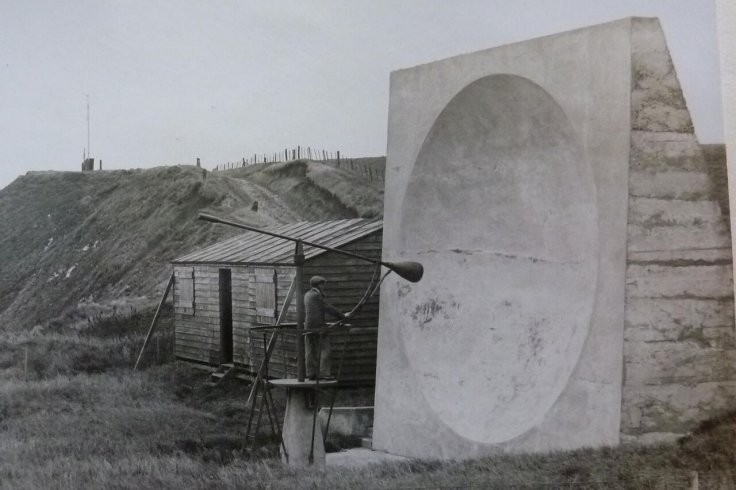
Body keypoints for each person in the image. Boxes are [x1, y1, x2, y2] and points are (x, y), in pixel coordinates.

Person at [304, 275, 348, 380]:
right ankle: (324, 374)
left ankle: (311, 373)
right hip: (318, 327)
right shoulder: (316, 295)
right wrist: (342, 316)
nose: (324, 286)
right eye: (322, 284)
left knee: (310, 350)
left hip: (308, 326)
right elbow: (327, 307)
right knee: (326, 350)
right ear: (318, 285)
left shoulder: (307, 294)